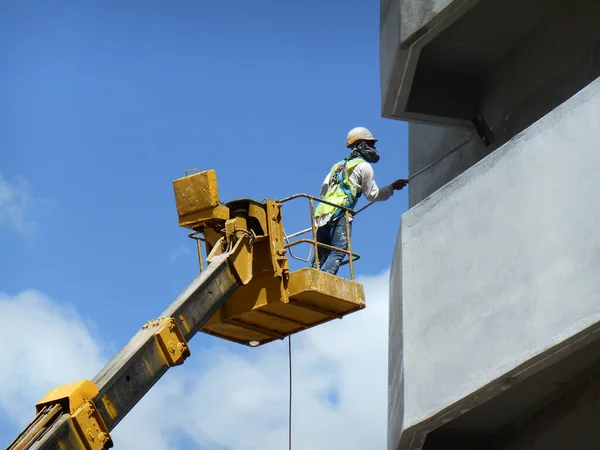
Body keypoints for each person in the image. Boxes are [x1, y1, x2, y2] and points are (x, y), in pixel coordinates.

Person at [310, 126, 408, 275]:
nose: (373, 148)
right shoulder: (363, 166)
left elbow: (324, 190)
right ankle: (324, 278)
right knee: (339, 249)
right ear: (362, 144)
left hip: (322, 214)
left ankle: (311, 275)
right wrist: (392, 187)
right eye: (370, 144)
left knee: (320, 254)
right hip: (340, 212)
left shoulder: (337, 166)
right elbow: (372, 195)